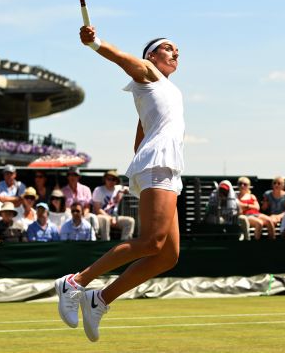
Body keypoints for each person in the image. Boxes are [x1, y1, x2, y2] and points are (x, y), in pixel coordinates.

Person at [55, 28, 185, 343]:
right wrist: (95, 43)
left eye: (177, 50)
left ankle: (99, 299)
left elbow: (142, 130)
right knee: (151, 242)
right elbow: (122, 58)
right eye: (168, 48)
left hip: (163, 165)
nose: (175, 53)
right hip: (158, 163)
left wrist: (141, 158)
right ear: (151, 56)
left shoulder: (165, 89)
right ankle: (74, 282)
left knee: (168, 255)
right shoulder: (148, 70)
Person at [92, 170, 136, 241]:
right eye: (109, 179)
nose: (111, 181)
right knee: (105, 220)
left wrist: (121, 191)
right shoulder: (98, 190)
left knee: (130, 221)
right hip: (100, 217)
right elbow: (97, 209)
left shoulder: (118, 188)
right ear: (105, 180)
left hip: (115, 217)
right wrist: (110, 218)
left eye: (114, 179)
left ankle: (123, 246)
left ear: (116, 181)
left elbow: (129, 188)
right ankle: (105, 244)